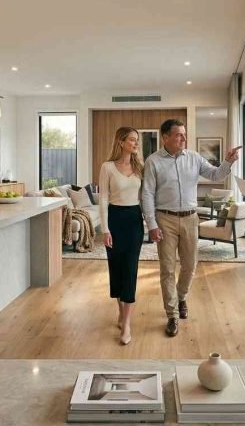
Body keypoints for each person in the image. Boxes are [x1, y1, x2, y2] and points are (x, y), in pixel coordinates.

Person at [142, 119, 241, 337]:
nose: (183, 138)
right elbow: (147, 193)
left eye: (184, 134)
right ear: (165, 137)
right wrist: (151, 224)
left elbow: (216, 175)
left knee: (189, 265)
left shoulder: (194, 157)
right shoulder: (153, 161)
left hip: (190, 218)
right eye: (178, 135)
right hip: (165, 219)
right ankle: (172, 314)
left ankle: (181, 296)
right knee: (167, 269)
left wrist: (228, 161)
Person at [99, 126, 144, 345]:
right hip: (115, 220)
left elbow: (145, 197)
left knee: (130, 269)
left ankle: (126, 324)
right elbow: (103, 199)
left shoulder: (140, 167)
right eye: (133, 140)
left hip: (134, 220)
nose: (136, 143)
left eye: (137, 140)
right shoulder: (107, 167)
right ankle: (120, 310)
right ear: (121, 142)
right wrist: (105, 229)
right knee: (116, 269)